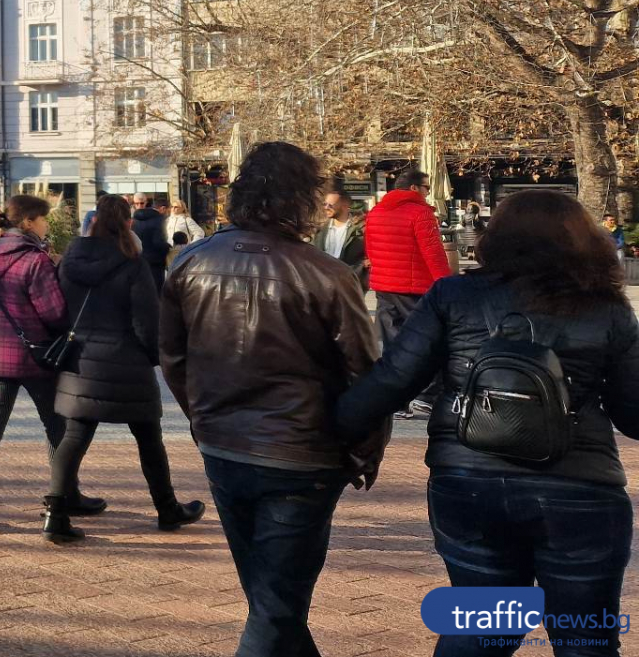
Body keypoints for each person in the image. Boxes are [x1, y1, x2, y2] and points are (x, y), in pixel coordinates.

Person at [334, 189, 639, 653]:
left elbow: (394, 380)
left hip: (469, 483)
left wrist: (328, 433)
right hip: (580, 491)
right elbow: (633, 413)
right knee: (586, 640)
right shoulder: (607, 308)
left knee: (481, 633)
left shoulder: (454, 296)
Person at [160, 142, 385, 656]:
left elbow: (174, 359)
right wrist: (364, 449)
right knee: (274, 606)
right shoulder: (327, 274)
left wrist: (203, 419)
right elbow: (365, 374)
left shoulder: (190, 262)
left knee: (272, 599)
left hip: (230, 444)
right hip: (297, 453)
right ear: (303, 199)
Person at [43, 195, 204, 542]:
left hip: (80, 358)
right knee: (148, 440)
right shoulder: (133, 263)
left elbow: (57, 305)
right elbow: (147, 321)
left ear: (94, 220)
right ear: (128, 223)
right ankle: (166, 508)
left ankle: (55, 514)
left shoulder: (71, 256)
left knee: (73, 437)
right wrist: (154, 356)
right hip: (126, 363)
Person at [0, 194, 105, 528]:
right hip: (34, 355)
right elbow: (54, 313)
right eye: (44, 219)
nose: (47, 224)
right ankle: (63, 496)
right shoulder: (35, 260)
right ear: (30, 222)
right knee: (57, 424)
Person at [364, 170, 453, 417]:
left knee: (393, 347)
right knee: (429, 342)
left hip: (384, 289)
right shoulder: (420, 213)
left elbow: (370, 252)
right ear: (414, 189)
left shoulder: (375, 213)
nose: (427, 192)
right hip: (415, 290)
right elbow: (433, 254)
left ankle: (397, 401)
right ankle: (424, 398)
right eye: (425, 187)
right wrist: (447, 286)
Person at [311, 186, 368, 287]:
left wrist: (362, 268)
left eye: (330, 205)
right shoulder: (319, 228)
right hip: (322, 283)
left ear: (345, 206)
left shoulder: (361, 228)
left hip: (350, 284)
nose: (326, 207)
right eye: (325, 204)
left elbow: (371, 254)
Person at [129, 194, 170, 292]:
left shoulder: (132, 221)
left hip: (137, 260)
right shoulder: (159, 219)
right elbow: (158, 242)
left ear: (146, 202)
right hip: (155, 262)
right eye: (137, 203)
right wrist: (167, 247)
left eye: (141, 203)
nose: (139, 205)